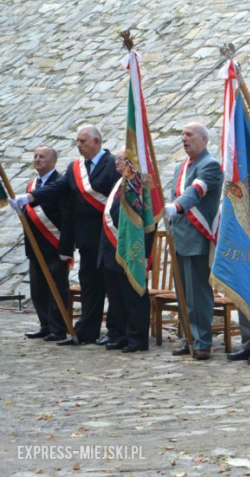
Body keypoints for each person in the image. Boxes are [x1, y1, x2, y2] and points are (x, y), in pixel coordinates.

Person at [14, 125, 121, 346]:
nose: (78, 145)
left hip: (109, 235)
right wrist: (30, 197)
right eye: (77, 141)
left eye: (82, 141)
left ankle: (115, 331)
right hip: (86, 239)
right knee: (89, 285)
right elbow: (58, 187)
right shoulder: (75, 167)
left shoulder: (112, 164)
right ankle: (87, 332)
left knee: (112, 285)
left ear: (96, 142)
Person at [167, 122, 223, 361]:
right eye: (182, 134)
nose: (184, 138)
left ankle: (202, 341)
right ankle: (188, 337)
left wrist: (176, 207)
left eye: (189, 134)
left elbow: (196, 191)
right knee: (182, 293)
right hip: (178, 237)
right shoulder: (181, 166)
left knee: (197, 293)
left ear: (203, 140)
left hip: (196, 237)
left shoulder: (210, 165)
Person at [97, 150, 156, 353]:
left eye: (121, 160)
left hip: (130, 252)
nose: (117, 162)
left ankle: (137, 339)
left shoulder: (138, 187)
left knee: (133, 299)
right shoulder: (119, 183)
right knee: (117, 299)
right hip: (111, 252)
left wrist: (145, 254)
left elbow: (145, 222)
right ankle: (120, 335)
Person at [16, 146, 71, 342]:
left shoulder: (61, 183)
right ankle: (45, 325)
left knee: (56, 288)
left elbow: (65, 216)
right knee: (38, 289)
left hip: (55, 245)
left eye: (42, 157)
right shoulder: (32, 184)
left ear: (53, 161)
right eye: (35, 156)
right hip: (36, 246)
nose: (37, 159)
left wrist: (66, 247)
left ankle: (58, 328)